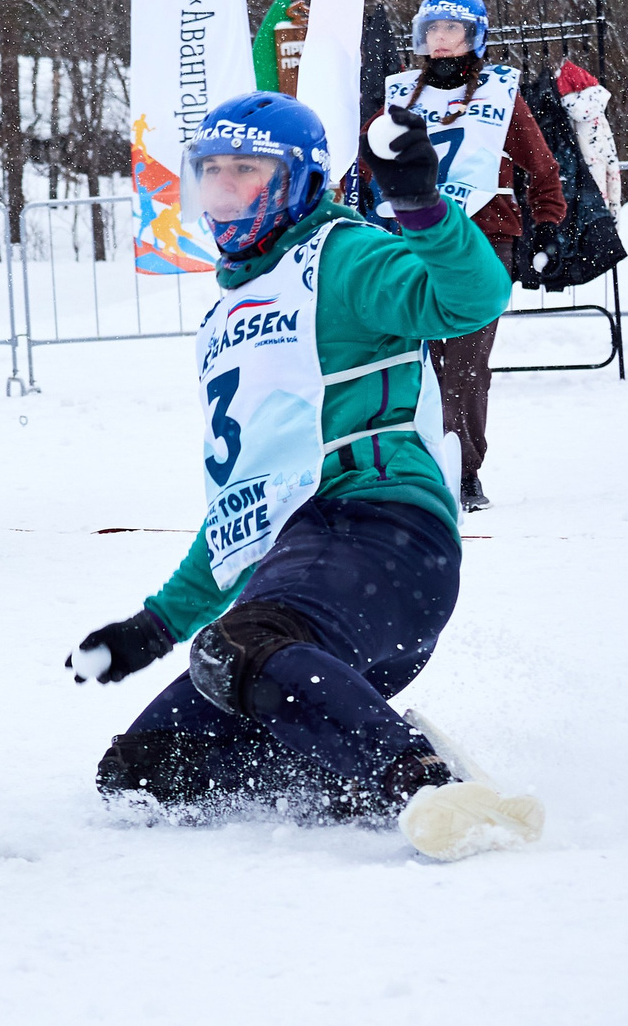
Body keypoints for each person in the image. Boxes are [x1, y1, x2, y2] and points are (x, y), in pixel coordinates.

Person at [66, 91, 543, 860]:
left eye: (247, 171)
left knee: (237, 645)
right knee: (143, 773)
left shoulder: (340, 256)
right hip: (304, 590)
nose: (225, 190)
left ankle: (421, 782)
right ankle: (351, 759)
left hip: (381, 534)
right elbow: (245, 505)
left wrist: (420, 204)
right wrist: (150, 630)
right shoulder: (222, 318)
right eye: (211, 172)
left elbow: (470, 297)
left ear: (298, 181)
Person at [362, 0, 565, 512]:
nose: (441, 40)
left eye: (452, 29)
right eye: (433, 30)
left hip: (485, 237)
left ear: (474, 36)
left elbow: (542, 166)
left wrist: (547, 223)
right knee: (419, 359)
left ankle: (464, 468)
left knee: (466, 363)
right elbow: (367, 162)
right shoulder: (400, 95)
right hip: (415, 241)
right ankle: (422, 463)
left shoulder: (501, 94)